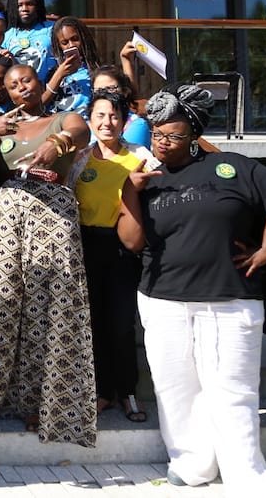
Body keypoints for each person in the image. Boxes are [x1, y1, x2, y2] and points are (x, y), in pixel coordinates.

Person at [118, 83, 266, 497]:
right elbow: (131, 241)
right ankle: (192, 462)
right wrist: (130, 190)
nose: (163, 142)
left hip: (229, 299)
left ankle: (248, 477)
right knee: (175, 388)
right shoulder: (147, 179)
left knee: (233, 392)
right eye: (157, 134)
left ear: (194, 135)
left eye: (173, 135)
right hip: (162, 299)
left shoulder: (231, 166)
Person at [0, 63, 96, 446]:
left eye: (27, 80)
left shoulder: (61, 118)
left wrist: (58, 143)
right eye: (13, 85)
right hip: (9, 207)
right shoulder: (5, 125)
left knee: (46, 305)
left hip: (53, 209)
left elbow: (82, 131)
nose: (21, 88)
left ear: (40, 82)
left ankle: (40, 403)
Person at [76, 89, 154, 425]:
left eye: (114, 115)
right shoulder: (80, 159)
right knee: (93, 323)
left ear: (124, 121)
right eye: (100, 115)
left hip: (123, 249)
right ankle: (102, 391)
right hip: (85, 247)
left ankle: (128, 391)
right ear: (90, 120)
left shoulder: (140, 156)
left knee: (121, 324)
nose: (107, 122)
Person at [2, 0, 56, 82]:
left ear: (38, 6)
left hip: (50, 87)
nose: (24, 9)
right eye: (19, 5)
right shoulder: (6, 36)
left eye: (29, 4)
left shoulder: (53, 29)